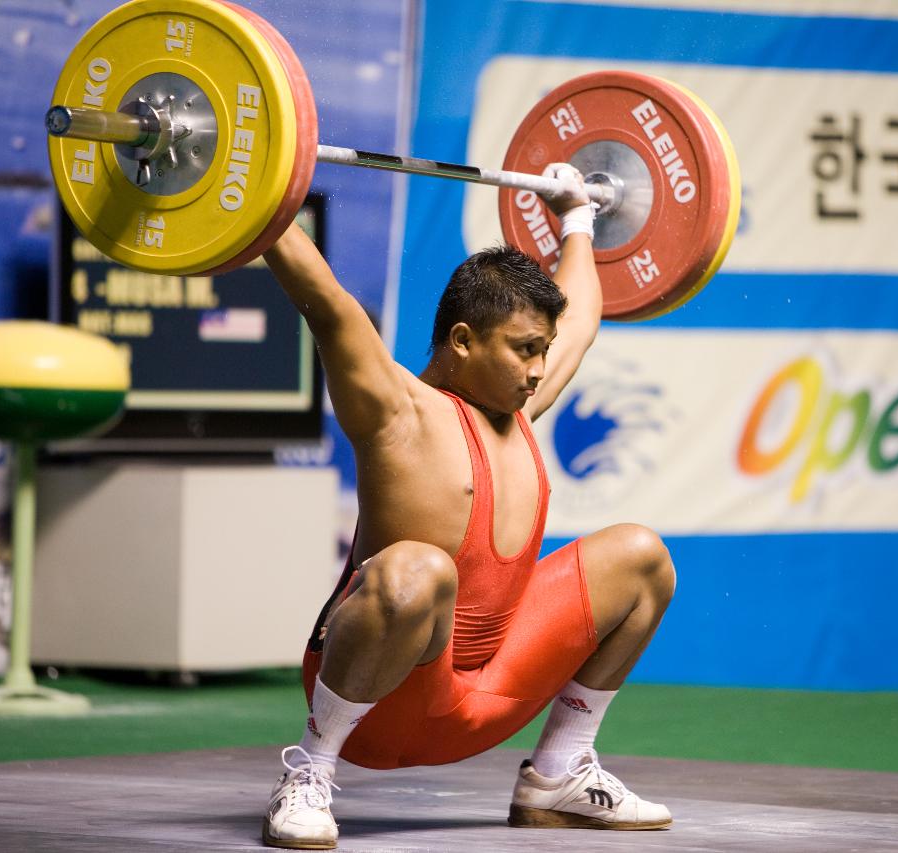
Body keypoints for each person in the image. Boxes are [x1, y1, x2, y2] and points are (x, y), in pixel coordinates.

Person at [259, 164, 677, 849]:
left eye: (542, 350)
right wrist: (259, 191)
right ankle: (309, 771)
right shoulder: (395, 411)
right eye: (524, 351)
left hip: (488, 697)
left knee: (643, 557)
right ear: (462, 341)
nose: (540, 369)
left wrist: (577, 215)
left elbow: (584, 317)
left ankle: (559, 772)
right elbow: (326, 300)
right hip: (384, 702)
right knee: (418, 569)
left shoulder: (521, 404)